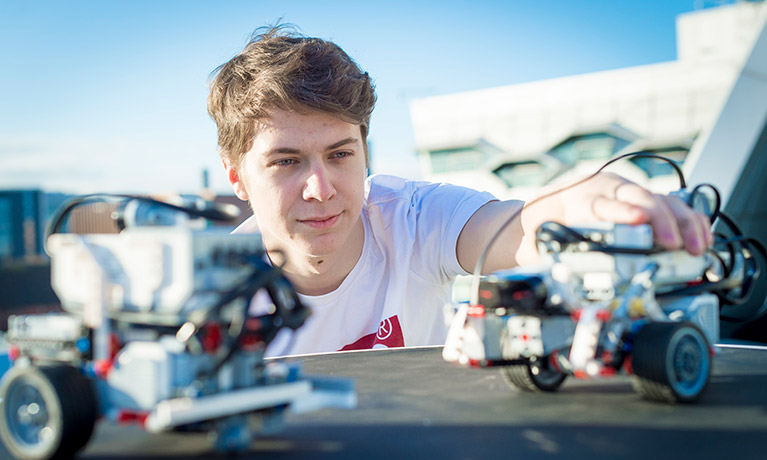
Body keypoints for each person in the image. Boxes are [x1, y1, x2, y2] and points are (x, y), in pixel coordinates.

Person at [207, 25, 712, 357]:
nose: (320, 189)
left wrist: (575, 203)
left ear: (366, 153)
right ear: (237, 177)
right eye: (286, 162)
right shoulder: (202, 296)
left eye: (340, 155)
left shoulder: (413, 218)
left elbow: (509, 227)